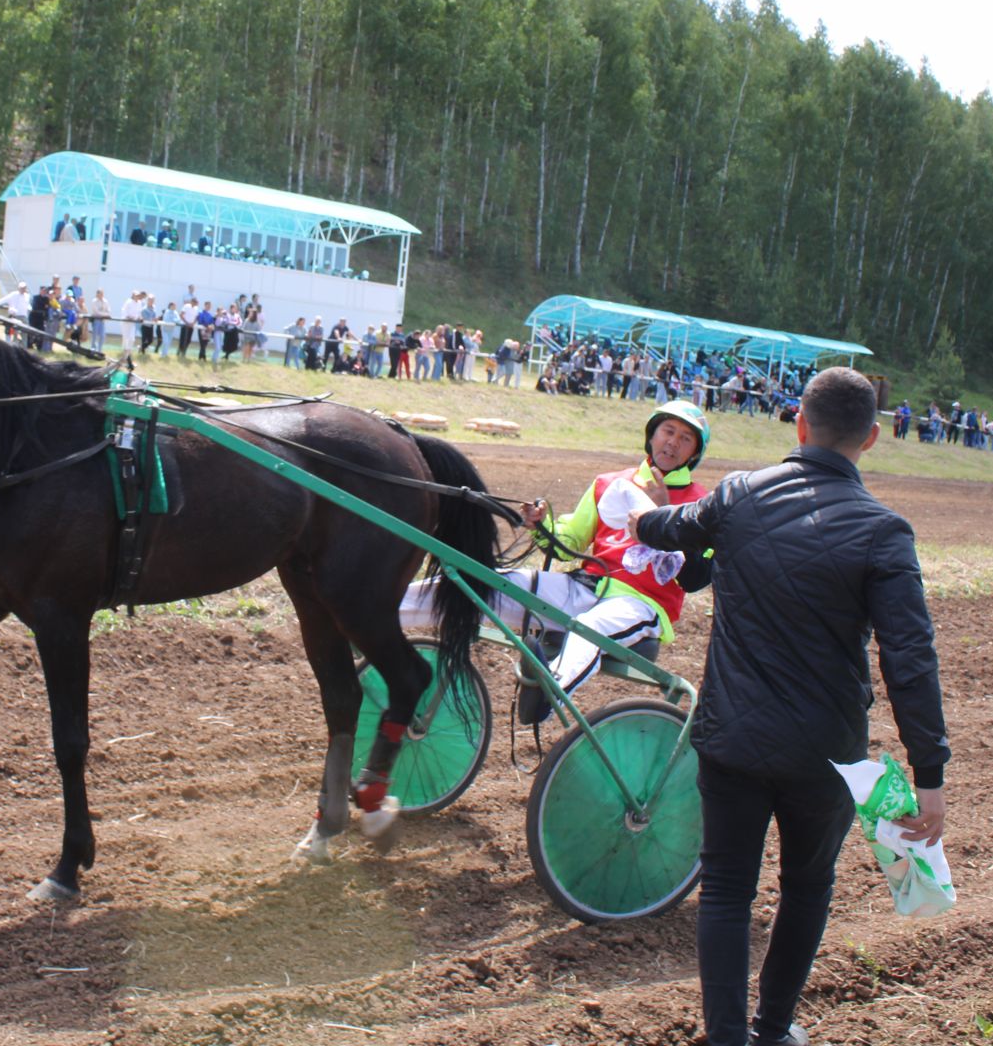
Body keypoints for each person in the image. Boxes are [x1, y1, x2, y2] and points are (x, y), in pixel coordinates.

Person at [628, 368, 949, 1046]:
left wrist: (642, 513)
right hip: (825, 754)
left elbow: (670, 528)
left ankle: (725, 1037)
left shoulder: (741, 493)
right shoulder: (885, 532)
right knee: (807, 889)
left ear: (798, 423)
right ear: (873, 439)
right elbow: (910, 660)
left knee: (725, 892)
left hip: (731, 741)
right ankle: (773, 1030)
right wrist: (930, 775)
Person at [398, 403, 715, 727]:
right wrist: (543, 524)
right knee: (482, 584)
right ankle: (379, 608)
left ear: (693, 453)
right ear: (652, 434)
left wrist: (666, 518)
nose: (673, 442)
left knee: (590, 630)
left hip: (640, 605)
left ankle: (547, 690)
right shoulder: (609, 484)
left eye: (686, 438)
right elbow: (568, 544)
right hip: (583, 587)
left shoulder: (703, 505)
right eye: (668, 431)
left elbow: (696, 579)